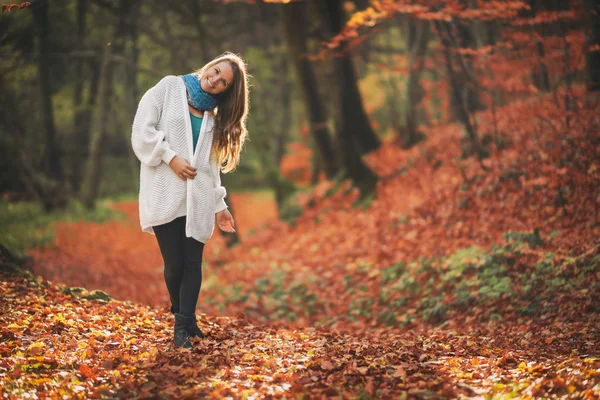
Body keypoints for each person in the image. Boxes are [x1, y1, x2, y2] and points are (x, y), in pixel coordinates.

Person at [131, 52, 250, 349]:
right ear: (211, 63)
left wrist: (220, 207)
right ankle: (182, 314)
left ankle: (184, 325)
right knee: (174, 265)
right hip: (164, 194)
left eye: (223, 82)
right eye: (217, 71)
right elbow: (142, 130)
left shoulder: (214, 118)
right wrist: (170, 158)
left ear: (226, 91)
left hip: (198, 200)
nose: (215, 80)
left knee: (193, 264)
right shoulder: (168, 87)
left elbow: (211, 169)